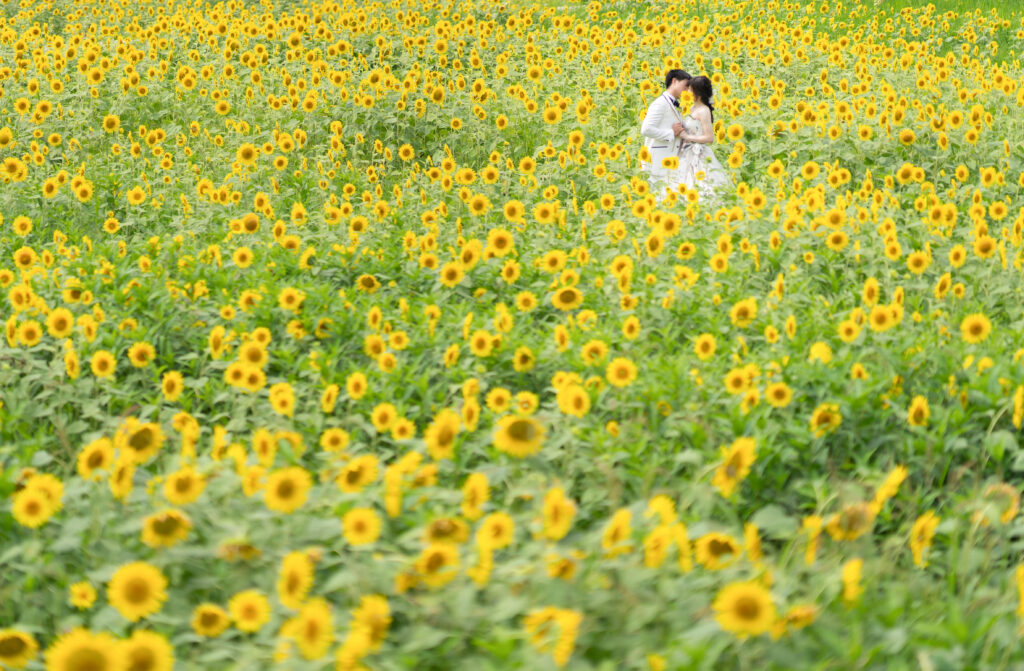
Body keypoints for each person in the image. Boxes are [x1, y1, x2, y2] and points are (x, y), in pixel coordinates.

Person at [675, 75, 731, 202]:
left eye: (690, 89)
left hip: (698, 153)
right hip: (685, 151)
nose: (687, 92)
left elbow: (709, 137)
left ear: (697, 92)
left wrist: (687, 136)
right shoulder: (692, 108)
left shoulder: (704, 111)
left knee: (703, 186)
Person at [640, 69, 691, 200]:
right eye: (685, 85)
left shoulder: (675, 104)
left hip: (671, 162)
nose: (687, 90)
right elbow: (646, 129)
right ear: (674, 81)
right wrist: (671, 133)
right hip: (657, 161)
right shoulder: (660, 104)